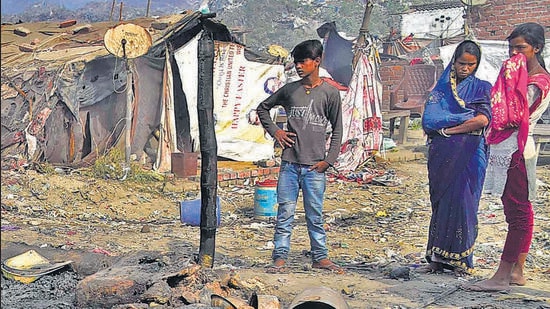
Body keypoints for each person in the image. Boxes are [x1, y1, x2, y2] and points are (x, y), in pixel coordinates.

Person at [466, 23, 550, 292]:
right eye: (511, 48)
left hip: (517, 150)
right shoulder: (523, 76)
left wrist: (506, 82)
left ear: (536, 48)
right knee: (519, 210)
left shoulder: (537, 82)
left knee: (518, 214)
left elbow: (510, 116)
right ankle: (516, 272)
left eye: (521, 48)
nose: (514, 53)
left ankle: (502, 276)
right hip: (512, 148)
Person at [256, 39, 344, 274]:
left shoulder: (330, 93)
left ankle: (320, 257)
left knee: (314, 214)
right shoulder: (289, 90)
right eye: (296, 62)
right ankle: (280, 257)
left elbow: (338, 129)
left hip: (315, 166)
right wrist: (276, 132)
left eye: (303, 61)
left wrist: (329, 160)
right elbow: (262, 108)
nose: (298, 66)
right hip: (290, 165)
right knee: (285, 213)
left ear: (317, 61)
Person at [419, 40, 492, 276]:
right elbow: (429, 121)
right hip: (443, 156)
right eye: (462, 63)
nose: (466, 68)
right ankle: (437, 258)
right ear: (454, 62)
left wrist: (449, 130)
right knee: (442, 204)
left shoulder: (482, 87)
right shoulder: (440, 91)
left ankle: (462, 260)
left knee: (465, 203)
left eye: (471, 64)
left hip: (470, 154)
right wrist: (459, 122)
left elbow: (482, 120)